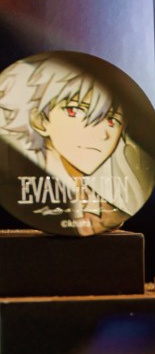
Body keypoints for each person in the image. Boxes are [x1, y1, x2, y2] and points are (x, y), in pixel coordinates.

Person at [0, 54, 134, 234]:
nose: (102, 134)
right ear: (40, 120)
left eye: (112, 120)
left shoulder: (107, 209)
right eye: (75, 111)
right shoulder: (16, 193)